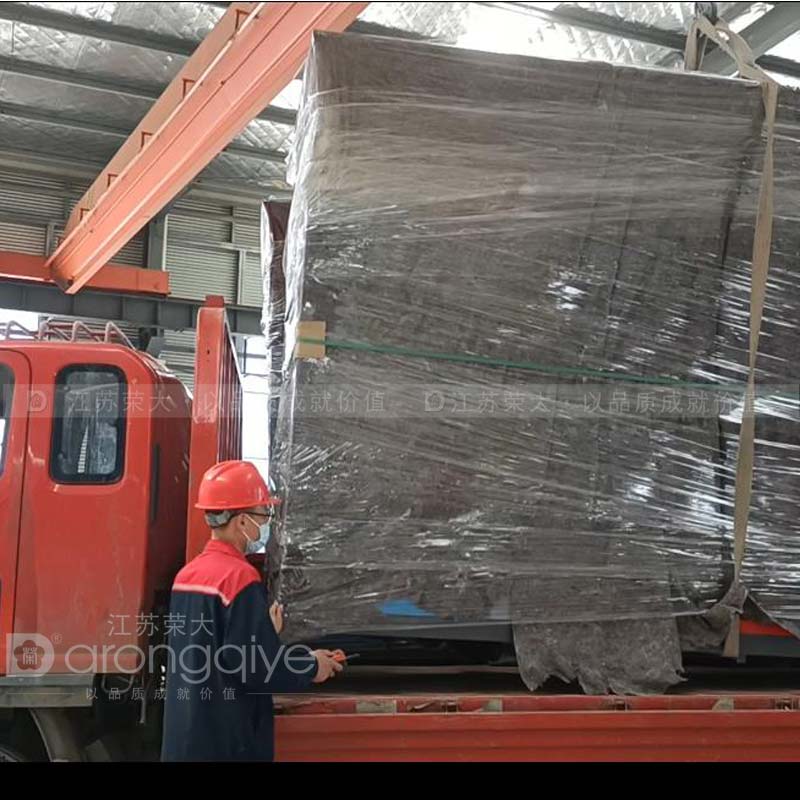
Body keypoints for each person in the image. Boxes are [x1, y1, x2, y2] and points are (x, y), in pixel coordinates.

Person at [161, 460, 342, 762]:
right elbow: (257, 669)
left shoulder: (187, 575)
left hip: (188, 739)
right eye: (264, 514)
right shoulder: (239, 578)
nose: (267, 521)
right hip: (227, 743)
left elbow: (220, 653)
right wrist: (312, 667)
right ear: (242, 521)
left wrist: (267, 633)